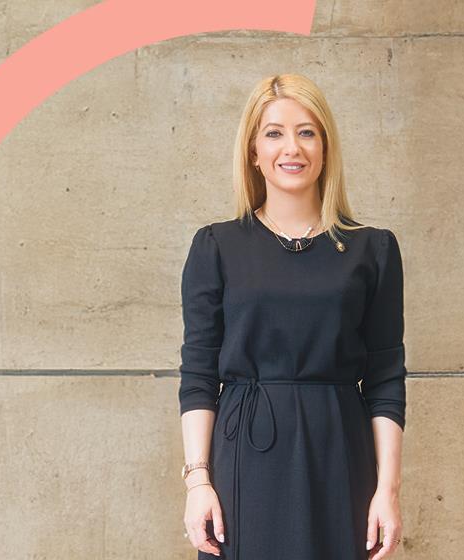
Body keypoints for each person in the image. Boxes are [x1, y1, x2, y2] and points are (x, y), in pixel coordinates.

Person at [178, 73, 406, 560]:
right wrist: (198, 481)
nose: (292, 148)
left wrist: (387, 490)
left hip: (338, 453)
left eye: (307, 132)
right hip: (245, 458)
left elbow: (386, 379)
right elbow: (198, 374)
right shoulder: (217, 246)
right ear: (253, 152)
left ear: (325, 147)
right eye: (274, 133)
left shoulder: (373, 250)